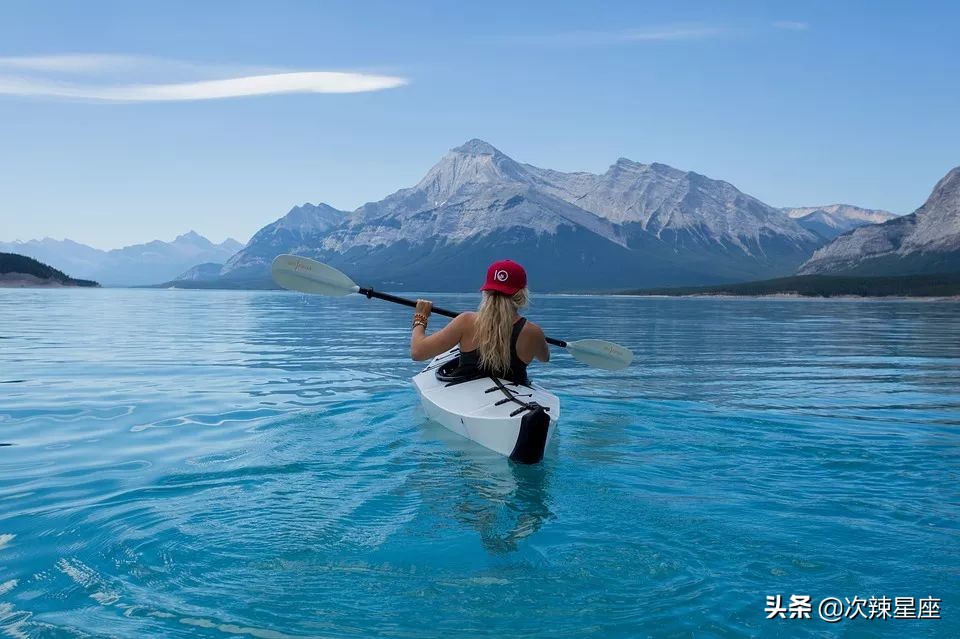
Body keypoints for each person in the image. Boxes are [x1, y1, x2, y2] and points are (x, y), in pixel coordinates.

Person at [410, 259, 549, 384]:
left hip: (465, 394)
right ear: (522, 294)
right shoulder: (533, 332)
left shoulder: (466, 321)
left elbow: (418, 352)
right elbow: (544, 358)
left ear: (486, 291)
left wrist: (420, 317)